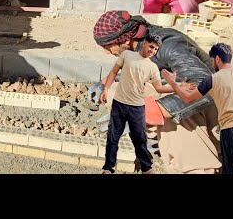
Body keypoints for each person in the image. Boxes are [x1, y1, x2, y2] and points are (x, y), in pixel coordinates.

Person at [93, 10, 222, 174]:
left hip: (214, 109)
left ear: (125, 39)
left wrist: (156, 110)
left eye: (107, 46)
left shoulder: (169, 45)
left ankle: (198, 166)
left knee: (171, 110)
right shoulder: (138, 44)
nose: (106, 51)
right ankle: (154, 140)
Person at [163, 43, 233, 174]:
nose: (212, 64)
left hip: (232, 129)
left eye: (212, 61)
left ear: (217, 59)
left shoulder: (212, 79)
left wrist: (173, 83)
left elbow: (188, 98)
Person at [100, 33, 176, 174]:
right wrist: (105, 89)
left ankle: (146, 168)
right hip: (120, 102)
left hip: (137, 106)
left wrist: (176, 87)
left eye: (155, 49)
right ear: (145, 43)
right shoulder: (127, 55)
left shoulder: (153, 67)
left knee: (139, 138)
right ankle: (108, 167)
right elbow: (114, 71)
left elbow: (159, 88)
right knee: (113, 136)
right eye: (151, 46)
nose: (152, 51)